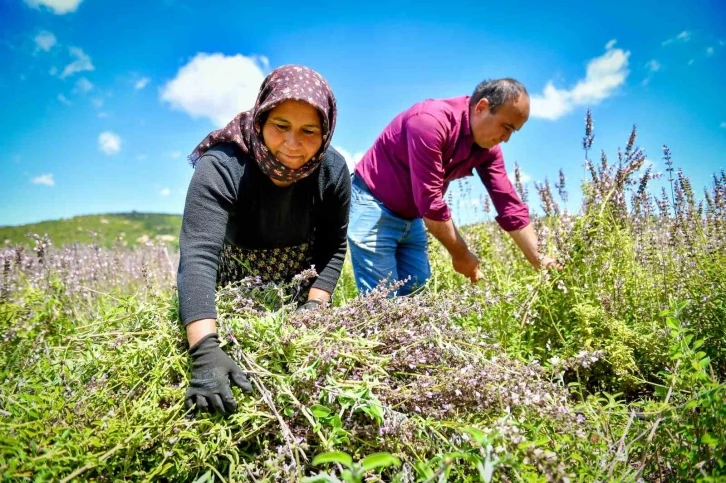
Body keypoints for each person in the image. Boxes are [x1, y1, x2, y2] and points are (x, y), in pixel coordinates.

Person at [177, 64, 350, 415]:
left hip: (297, 294)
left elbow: (334, 246)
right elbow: (198, 255)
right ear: (260, 120)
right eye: (280, 126)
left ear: (326, 132)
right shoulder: (222, 166)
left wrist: (315, 307)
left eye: (309, 131)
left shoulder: (332, 171)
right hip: (230, 294)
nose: (292, 144)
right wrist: (205, 349)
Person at [347, 78, 560, 296]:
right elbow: (430, 203)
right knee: (381, 301)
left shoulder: (488, 150)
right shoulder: (429, 121)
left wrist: (539, 260)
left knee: (416, 295)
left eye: (513, 132)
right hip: (373, 206)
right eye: (506, 127)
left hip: (412, 218)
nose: (506, 139)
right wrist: (462, 254)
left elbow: (509, 205)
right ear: (482, 107)